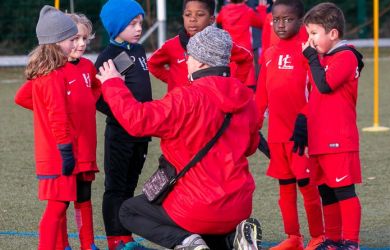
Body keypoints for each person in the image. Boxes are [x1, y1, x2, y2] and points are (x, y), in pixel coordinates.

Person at [96, 26, 262, 250]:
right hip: (238, 205)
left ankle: (187, 242)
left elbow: (138, 120)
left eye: (189, 57)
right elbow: (250, 147)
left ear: (202, 62)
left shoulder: (188, 97)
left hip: (196, 205)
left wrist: (113, 83)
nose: (186, 61)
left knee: (128, 211)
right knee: (209, 229)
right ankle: (233, 238)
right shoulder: (245, 97)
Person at [15, 12, 101, 250]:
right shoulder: (52, 75)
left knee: (73, 201)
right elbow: (44, 108)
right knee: (58, 206)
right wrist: (63, 143)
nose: (78, 44)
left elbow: (94, 89)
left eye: (82, 39)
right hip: (60, 153)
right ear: (56, 41)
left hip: (74, 150)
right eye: (72, 39)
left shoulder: (79, 68)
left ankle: (87, 245)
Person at [255, 1, 324, 249]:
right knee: (285, 187)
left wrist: (305, 122)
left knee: (306, 185)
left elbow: (316, 93)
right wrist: (253, 123)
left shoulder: (307, 51)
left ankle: (319, 236)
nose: (281, 24)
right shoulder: (270, 53)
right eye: (277, 19)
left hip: (300, 136)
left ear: (300, 21)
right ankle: (293, 237)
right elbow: (261, 95)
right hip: (276, 135)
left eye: (288, 19)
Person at [298, 2, 364, 249]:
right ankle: (333, 240)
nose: (310, 40)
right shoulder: (325, 58)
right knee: (327, 192)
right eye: (308, 35)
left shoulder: (345, 56)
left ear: (333, 33)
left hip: (339, 138)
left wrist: (312, 58)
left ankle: (351, 242)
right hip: (319, 139)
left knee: (344, 192)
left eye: (314, 34)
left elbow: (325, 84)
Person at [95, 0, 152, 249]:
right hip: (120, 133)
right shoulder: (109, 57)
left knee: (130, 185)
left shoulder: (137, 50)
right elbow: (98, 96)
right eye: (132, 23)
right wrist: (121, 114)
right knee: (116, 187)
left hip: (141, 132)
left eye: (140, 22)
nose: (139, 27)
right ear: (116, 26)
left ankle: (126, 238)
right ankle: (114, 240)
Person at [148, 0, 256, 92]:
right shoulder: (171, 45)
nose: (192, 19)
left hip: (210, 110)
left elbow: (246, 58)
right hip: (180, 110)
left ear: (212, 19)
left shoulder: (219, 44)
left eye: (199, 14)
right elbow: (152, 64)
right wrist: (172, 80)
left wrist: (234, 84)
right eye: (188, 14)